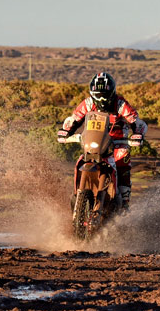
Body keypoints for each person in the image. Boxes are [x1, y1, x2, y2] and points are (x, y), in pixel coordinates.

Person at [61, 72, 147, 209]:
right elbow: (74, 119)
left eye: (104, 94)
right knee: (80, 160)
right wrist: (66, 131)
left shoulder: (121, 104)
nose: (101, 99)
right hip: (94, 142)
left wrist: (137, 134)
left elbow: (137, 122)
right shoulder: (88, 103)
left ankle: (124, 202)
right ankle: (77, 195)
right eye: (98, 94)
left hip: (117, 144)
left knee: (122, 160)